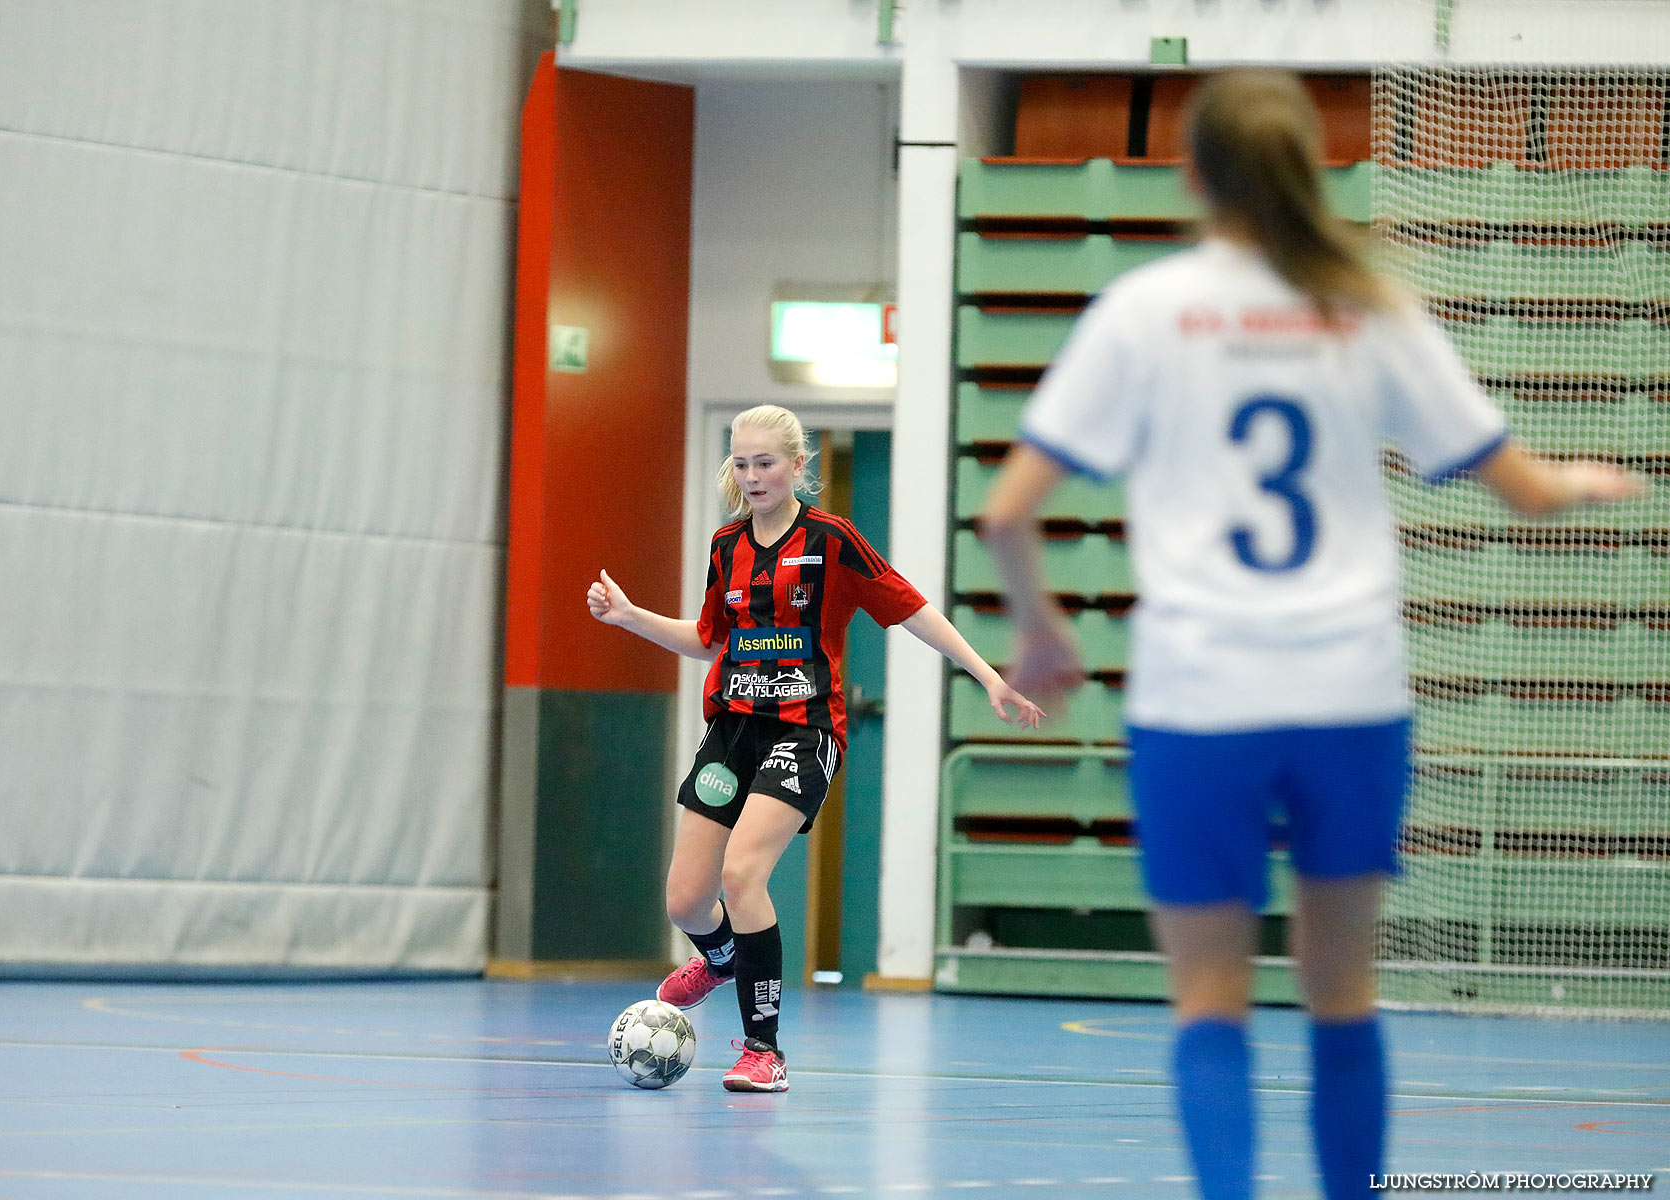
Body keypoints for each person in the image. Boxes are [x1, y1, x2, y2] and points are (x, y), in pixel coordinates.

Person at [977, 70, 1644, 1199]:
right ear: (1310, 172)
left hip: (1200, 697)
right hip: (1350, 694)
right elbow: (1523, 490)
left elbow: (1005, 511)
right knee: (1343, 997)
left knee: (1208, 1004)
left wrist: (1042, 633)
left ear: (1193, 177)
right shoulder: (1367, 304)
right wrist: (1586, 480)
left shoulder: (1143, 310)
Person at [588, 403, 1043, 1092]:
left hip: (804, 732)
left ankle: (763, 1050)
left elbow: (913, 608)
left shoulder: (832, 539)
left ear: (798, 466)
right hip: (733, 730)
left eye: (766, 462)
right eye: (741, 464)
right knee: (686, 900)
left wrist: (987, 676)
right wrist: (629, 618)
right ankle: (719, 959)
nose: (753, 475)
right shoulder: (725, 547)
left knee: (742, 875)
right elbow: (710, 639)